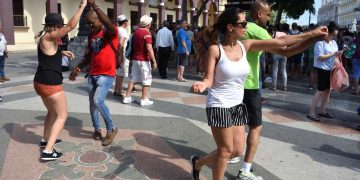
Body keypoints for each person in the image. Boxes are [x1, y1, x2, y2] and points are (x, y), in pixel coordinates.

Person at [190, 7, 327, 180]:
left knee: (236, 151)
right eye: (243, 24)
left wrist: (312, 35)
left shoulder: (246, 46)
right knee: (225, 151)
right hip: (219, 104)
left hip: (237, 105)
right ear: (231, 27)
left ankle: (198, 163)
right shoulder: (215, 50)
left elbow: (282, 43)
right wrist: (202, 85)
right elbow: (208, 79)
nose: (246, 27)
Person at [34, 0, 87, 160]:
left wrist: (61, 53)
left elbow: (48, 53)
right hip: (50, 83)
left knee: (51, 112)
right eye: (60, 27)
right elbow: (71, 25)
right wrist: (82, 6)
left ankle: (45, 140)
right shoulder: (50, 36)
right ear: (56, 27)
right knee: (62, 115)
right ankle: (48, 151)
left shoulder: (44, 37)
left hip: (40, 81)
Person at [69, 0, 118, 146]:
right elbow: (89, 55)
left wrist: (95, 6)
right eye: (88, 24)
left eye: (92, 23)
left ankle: (111, 128)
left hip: (106, 74)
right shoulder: (91, 36)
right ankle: (97, 129)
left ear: (99, 19)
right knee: (92, 105)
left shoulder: (109, 32)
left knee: (98, 101)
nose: (90, 26)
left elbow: (109, 24)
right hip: (92, 75)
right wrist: (78, 68)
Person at [307, 22, 340, 122]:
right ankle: (311, 112)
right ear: (327, 33)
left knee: (327, 90)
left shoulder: (333, 43)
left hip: (331, 68)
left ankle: (322, 110)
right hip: (322, 68)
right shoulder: (319, 43)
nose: (334, 37)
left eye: (335, 35)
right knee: (320, 90)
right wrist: (333, 54)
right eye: (333, 35)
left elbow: (335, 56)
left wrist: (338, 58)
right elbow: (320, 58)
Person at [122, 15, 157, 106]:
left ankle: (127, 97)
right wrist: (154, 61)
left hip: (135, 59)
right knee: (147, 79)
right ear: (148, 24)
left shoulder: (136, 32)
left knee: (133, 79)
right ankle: (144, 99)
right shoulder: (147, 34)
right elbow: (149, 48)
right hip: (144, 60)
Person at [113, 15, 129, 96]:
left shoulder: (116, 29)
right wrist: (121, 56)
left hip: (115, 53)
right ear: (125, 22)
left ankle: (116, 89)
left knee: (118, 73)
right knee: (121, 74)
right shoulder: (123, 31)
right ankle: (118, 91)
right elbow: (121, 43)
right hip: (121, 53)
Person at [270, 23, 288, 91]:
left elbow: (271, 42)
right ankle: (284, 86)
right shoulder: (285, 34)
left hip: (276, 52)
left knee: (275, 69)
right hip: (284, 52)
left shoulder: (274, 33)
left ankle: (274, 86)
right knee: (284, 70)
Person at [352, 30, 360, 95]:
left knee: (356, 74)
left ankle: (356, 90)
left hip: (356, 56)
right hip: (356, 57)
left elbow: (353, 44)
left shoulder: (357, 36)